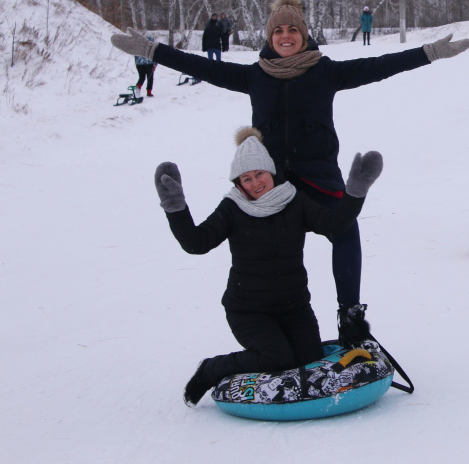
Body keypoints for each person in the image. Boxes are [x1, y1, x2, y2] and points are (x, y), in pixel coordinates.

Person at [111, 0, 469, 345]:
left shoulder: (325, 71)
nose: (285, 36)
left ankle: (350, 316)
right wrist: (152, 49)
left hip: (318, 177)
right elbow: (201, 66)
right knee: (263, 247)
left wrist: (431, 52)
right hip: (270, 183)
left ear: (304, 34)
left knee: (345, 230)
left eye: (293, 30)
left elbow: (380, 65)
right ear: (270, 37)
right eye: (278, 30)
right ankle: (269, 321)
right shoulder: (255, 76)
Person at [154, 127, 383, 406]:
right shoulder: (232, 207)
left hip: (294, 307)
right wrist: (174, 205)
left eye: (259, 174)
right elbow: (196, 243)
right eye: (246, 178)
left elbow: (335, 225)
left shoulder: (294, 200)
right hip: (249, 311)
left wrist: (355, 192)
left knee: (308, 361)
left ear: (271, 172)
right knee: (277, 358)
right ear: (239, 183)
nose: (255, 183)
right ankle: (211, 368)